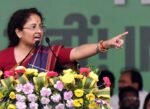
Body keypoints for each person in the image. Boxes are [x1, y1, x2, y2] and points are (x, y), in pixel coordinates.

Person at [0, 8, 128, 73]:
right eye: (33, 27)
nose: (39, 31)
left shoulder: (49, 53)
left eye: (41, 26)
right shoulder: (3, 57)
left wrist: (105, 44)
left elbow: (77, 51)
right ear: (19, 32)